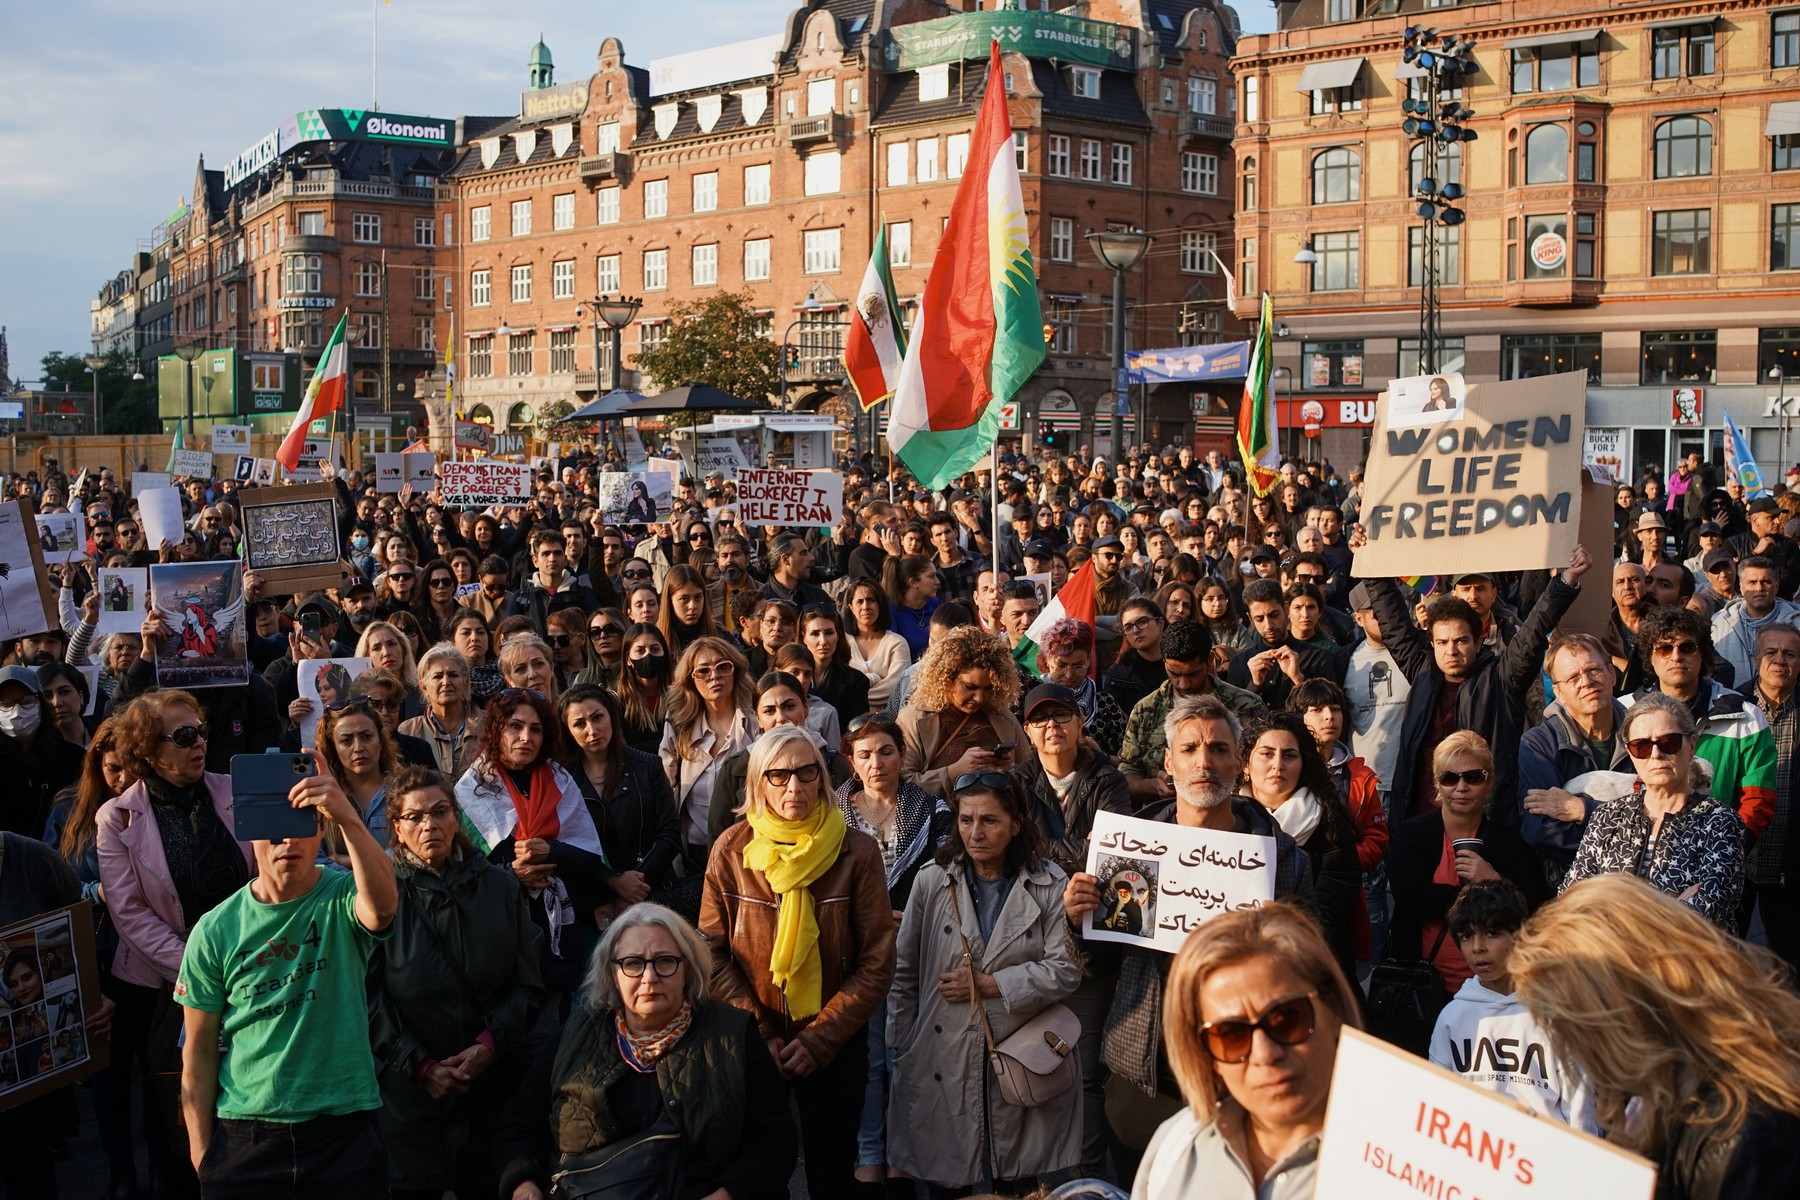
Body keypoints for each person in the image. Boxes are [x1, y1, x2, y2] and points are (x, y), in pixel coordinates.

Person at [1063, 696, 1314, 1177]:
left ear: (1239, 761)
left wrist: (1280, 942)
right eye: (1190, 748)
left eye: (1219, 749)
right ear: (1167, 761)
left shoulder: (1285, 861)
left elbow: (1308, 977)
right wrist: (1078, 922)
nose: (1204, 762)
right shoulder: (1128, 848)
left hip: (1240, 1082)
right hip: (1144, 1079)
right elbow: (1093, 964)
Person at [174, 749, 398, 1200]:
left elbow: (382, 908)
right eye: (272, 832)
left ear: (318, 831)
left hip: (342, 1128)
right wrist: (204, 1157)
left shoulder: (341, 896)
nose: (287, 844)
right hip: (247, 1136)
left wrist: (347, 818)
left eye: (298, 829)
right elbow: (197, 1053)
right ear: (252, 834)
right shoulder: (216, 929)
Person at [700, 724, 896, 1200]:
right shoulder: (731, 850)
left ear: (822, 779)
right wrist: (760, 1033)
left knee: (832, 1172)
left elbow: (876, 961)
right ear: (757, 783)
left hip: (833, 1039)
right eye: (779, 774)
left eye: (806, 772)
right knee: (760, 1173)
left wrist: (819, 1039)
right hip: (751, 1039)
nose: (794, 786)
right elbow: (711, 952)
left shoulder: (857, 851)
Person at [1511, 876, 1800, 1198]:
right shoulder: (1654, 1089)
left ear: (1621, 1016)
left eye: (1568, 1026)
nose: (1565, 1045)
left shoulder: (1742, 1140)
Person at [493, 903, 798, 1200]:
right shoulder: (575, 1033)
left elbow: (773, 1141)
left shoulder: (733, 1034)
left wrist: (727, 1193)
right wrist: (523, 1184)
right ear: (613, 973)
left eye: (665, 961)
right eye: (633, 963)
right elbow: (520, 1125)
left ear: (688, 969)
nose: (649, 978)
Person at [886, 771, 1083, 1194]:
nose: (975, 833)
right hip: (942, 1055)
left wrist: (990, 984)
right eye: (966, 820)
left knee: (1018, 1178)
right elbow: (903, 972)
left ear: (1015, 825)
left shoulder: (1050, 884)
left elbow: (1065, 969)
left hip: (1020, 1056)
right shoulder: (931, 880)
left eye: (989, 821)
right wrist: (900, 1047)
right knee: (947, 1178)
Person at [368, 766, 546, 1200]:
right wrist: (422, 1066)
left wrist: (490, 1044)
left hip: (489, 1091)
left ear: (456, 817)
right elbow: (367, 999)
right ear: (396, 827)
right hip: (410, 1105)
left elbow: (528, 984)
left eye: (440, 811)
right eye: (414, 817)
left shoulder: (500, 888)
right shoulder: (379, 897)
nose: (429, 824)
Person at [1356, 534, 1590, 820]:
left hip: (1487, 825)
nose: (1451, 650)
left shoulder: (1502, 679)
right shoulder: (1421, 672)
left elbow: (1535, 629)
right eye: (1442, 642)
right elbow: (1392, 623)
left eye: (1461, 641)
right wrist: (1369, 560)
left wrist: (1566, 580)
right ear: (1432, 643)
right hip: (1419, 822)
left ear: (1479, 643)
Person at [1132, 904, 1359, 1199]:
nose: (1265, 1054)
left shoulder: (1405, 1169)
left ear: (1334, 1011)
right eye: (1231, 1035)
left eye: (1287, 1018)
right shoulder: (1176, 1145)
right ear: (1204, 1054)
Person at [453, 688, 610, 997]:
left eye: (535, 729)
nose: (526, 737)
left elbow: (592, 861)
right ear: (497, 730)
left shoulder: (561, 781)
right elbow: (462, 873)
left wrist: (551, 850)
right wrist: (513, 875)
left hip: (563, 933)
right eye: (515, 726)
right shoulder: (470, 790)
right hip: (501, 933)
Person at [1387, 732, 1550, 1012]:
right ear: (1438, 783)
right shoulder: (1412, 835)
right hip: (1422, 984)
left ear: (1490, 781)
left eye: (1473, 777)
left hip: (1498, 990)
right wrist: (1489, 892)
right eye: (1450, 778)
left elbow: (1537, 904)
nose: (1461, 786)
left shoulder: (1508, 841)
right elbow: (1411, 898)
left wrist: (1493, 880)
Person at [1562, 691, 1747, 932]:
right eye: (1642, 746)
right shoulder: (1607, 816)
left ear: (1691, 745)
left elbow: (1703, 916)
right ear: (1630, 753)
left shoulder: (1721, 822)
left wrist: (1610, 908)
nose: (1656, 754)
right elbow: (1570, 902)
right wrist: (1672, 907)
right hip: (1612, 966)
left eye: (1669, 742)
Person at [1426, 880, 1593, 1130]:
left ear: (1520, 934)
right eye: (1466, 936)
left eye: (1492, 933)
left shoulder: (1555, 1014)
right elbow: (1437, 1099)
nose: (1478, 947)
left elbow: (1581, 1108)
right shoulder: (1453, 1016)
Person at [1239, 714, 1363, 975]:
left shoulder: (1329, 823)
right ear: (1246, 765)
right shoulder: (1228, 820)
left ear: (1303, 764)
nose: (1278, 765)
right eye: (1266, 754)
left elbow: (1332, 905)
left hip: (1313, 965)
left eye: (1289, 755)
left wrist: (1287, 922)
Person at [557, 685, 681, 921]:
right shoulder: (562, 780)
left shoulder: (648, 766)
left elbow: (669, 833)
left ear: (611, 717)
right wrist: (612, 882)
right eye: (579, 724)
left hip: (653, 894)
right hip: (594, 905)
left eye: (598, 717)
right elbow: (567, 848)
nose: (592, 730)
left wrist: (633, 886)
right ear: (568, 730)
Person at [1518, 634, 1631, 881]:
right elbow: (1542, 831)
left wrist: (1584, 810)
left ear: (1612, 674)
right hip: (1574, 887)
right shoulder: (1538, 745)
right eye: (1573, 678)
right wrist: (1630, 845)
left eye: (1593, 670)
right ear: (1558, 691)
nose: (1586, 682)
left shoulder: (1644, 734)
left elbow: (1664, 813)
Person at [1118, 620, 1263, 803]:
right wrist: (1152, 785)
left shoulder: (1247, 705)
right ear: (1164, 663)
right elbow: (1127, 771)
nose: (1184, 684)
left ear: (1210, 660)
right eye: (1175, 674)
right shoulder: (1145, 711)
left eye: (1193, 674)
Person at [895, 625, 1032, 800]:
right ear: (947, 679)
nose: (980, 698)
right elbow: (901, 787)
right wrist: (953, 772)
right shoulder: (913, 718)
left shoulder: (1003, 717)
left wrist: (1009, 770)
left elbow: (1030, 777)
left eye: (988, 688)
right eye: (970, 687)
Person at [660, 636, 756, 874]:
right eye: (703, 671)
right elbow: (665, 786)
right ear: (691, 680)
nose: (714, 676)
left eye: (723, 667)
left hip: (748, 851)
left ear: (735, 671)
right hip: (695, 853)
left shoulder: (755, 723)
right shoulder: (679, 725)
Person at [0, 664, 87, 839]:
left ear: (40, 704)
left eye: (25, 701)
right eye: (6, 704)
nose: (16, 712)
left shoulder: (72, 759)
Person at [316, 694, 398, 853]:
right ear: (334, 748)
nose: (358, 747)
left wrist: (345, 861)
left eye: (366, 737)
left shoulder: (405, 791)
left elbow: (411, 855)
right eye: (346, 741)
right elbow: (315, 861)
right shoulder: (322, 797)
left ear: (381, 741)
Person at [1034, 618, 1126, 758]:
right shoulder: (1033, 699)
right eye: (1062, 666)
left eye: (1078, 666)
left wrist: (1099, 756)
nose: (1069, 675)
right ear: (1048, 660)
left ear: (1089, 660)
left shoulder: (1105, 704)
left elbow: (1127, 762)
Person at [398, 644, 481, 778]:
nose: (446, 682)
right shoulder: (408, 730)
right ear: (423, 687)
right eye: (437, 677)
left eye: (453, 675)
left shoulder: (489, 724)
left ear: (465, 683)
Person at [846, 580, 913, 711]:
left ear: (880, 604)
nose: (866, 606)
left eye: (871, 600)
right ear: (851, 607)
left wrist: (854, 695)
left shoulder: (897, 643)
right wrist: (873, 679)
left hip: (887, 722)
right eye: (860, 601)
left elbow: (896, 688)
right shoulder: (841, 642)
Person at [804, 603, 872, 724]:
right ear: (803, 637)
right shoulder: (789, 677)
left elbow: (857, 731)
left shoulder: (856, 681)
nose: (823, 641)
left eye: (829, 632)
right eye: (815, 634)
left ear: (838, 635)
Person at [617, 623, 672, 751]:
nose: (648, 655)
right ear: (628, 660)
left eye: (655, 649)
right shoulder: (618, 702)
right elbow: (622, 750)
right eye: (640, 650)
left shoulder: (681, 697)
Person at [657, 563, 719, 661]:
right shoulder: (655, 642)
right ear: (669, 600)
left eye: (698, 597)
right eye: (684, 599)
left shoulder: (720, 634)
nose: (693, 606)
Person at [497, 633, 561, 705]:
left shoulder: (571, 711)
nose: (532, 674)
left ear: (551, 667)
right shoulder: (506, 716)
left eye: (539, 664)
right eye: (520, 669)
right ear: (510, 679)